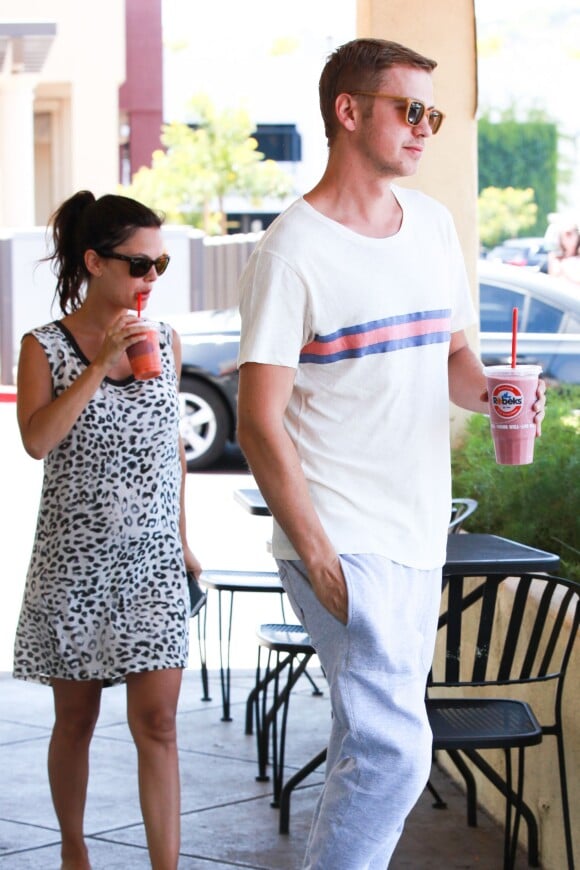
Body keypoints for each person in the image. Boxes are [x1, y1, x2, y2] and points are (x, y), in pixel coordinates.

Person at [236, 38, 546, 870]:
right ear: (349, 111)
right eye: (411, 110)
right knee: (396, 756)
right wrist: (317, 554)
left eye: (433, 115)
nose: (425, 129)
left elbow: (453, 361)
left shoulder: (433, 228)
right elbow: (259, 421)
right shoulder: (291, 250)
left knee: (366, 747)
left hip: (416, 533)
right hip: (343, 538)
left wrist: (496, 393)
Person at [12, 190, 202, 870]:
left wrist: (183, 544)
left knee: (159, 724)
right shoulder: (45, 346)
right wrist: (99, 365)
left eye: (161, 265)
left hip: (151, 562)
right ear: (94, 262)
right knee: (77, 721)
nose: (151, 280)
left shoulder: (169, 341)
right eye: (139, 265)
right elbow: (37, 441)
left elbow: (171, 450)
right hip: (74, 563)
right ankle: (73, 849)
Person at [546, 219, 580, 285]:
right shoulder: (555, 258)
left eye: (572, 233)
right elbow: (553, 281)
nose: (569, 238)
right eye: (567, 234)